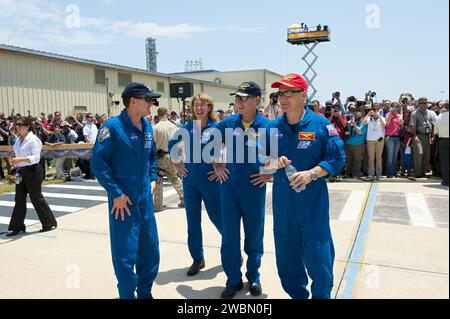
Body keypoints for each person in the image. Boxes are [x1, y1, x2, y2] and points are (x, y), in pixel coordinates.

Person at [261, 73, 345, 299]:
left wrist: (312, 173)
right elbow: (260, 161)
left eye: (289, 92)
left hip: (312, 204)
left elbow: (338, 157)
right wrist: (272, 163)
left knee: (319, 256)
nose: (283, 98)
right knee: (287, 258)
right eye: (281, 93)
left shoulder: (321, 125)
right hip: (283, 205)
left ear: (304, 95)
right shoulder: (272, 127)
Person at [91, 82, 160, 299]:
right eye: (148, 99)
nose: (152, 104)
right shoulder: (112, 128)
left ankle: (145, 293)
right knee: (125, 256)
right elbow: (99, 163)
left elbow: (151, 157)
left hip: (145, 201)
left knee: (150, 253)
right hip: (124, 203)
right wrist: (116, 193)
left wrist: (152, 179)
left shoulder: (147, 126)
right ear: (133, 101)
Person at [212, 81, 271, 299]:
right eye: (237, 98)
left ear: (257, 100)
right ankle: (233, 280)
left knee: (254, 235)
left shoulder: (267, 126)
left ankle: (254, 277)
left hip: (254, 189)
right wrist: (217, 164)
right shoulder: (227, 124)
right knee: (229, 236)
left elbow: (276, 154)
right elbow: (209, 145)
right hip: (229, 188)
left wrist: (270, 173)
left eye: (243, 98)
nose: (239, 102)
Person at [168, 93, 223, 277]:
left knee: (219, 219)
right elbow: (171, 144)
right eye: (196, 105)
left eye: (203, 105)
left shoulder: (218, 128)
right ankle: (197, 259)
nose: (199, 108)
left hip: (210, 181)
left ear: (209, 107)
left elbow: (232, 148)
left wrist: (221, 168)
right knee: (192, 222)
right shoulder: (186, 128)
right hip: (190, 180)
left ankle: (232, 251)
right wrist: (176, 163)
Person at [6, 117, 57, 237]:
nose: (17, 127)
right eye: (16, 125)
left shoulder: (33, 139)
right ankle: (17, 226)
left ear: (27, 126)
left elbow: (36, 158)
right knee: (19, 199)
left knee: (36, 197)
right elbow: (18, 154)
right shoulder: (18, 140)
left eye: (20, 124)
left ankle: (49, 223)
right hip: (21, 171)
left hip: (33, 171)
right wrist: (15, 164)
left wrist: (21, 159)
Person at [152, 107, 184, 212]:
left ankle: (157, 205)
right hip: (173, 155)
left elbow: (153, 144)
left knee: (159, 180)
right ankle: (184, 199)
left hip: (161, 157)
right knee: (175, 178)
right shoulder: (174, 126)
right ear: (167, 114)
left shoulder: (156, 128)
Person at [409, 97, 435, 178]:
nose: (423, 104)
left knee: (427, 155)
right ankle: (418, 173)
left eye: (425, 102)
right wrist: (415, 136)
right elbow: (412, 126)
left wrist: (432, 136)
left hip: (428, 136)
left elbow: (434, 125)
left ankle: (423, 172)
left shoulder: (431, 113)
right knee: (418, 155)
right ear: (418, 104)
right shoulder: (414, 113)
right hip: (419, 136)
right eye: (421, 103)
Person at [363, 107, 386, 179]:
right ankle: (371, 173)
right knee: (371, 158)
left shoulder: (382, 118)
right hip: (370, 140)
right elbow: (363, 122)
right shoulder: (369, 118)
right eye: (374, 111)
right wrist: (368, 114)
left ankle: (379, 173)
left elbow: (384, 125)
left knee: (379, 157)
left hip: (380, 139)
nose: (375, 113)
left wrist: (379, 116)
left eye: (377, 111)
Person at [384, 103, 404, 178]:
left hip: (397, 137)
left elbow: (401, 126)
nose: (395, 108)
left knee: (395, 156)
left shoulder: (399, 115)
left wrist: (401, 122)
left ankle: (394, 172)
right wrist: (391, 114)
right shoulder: (388, 114)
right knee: (390, 156)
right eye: (393, 106)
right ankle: (389, 173)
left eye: (397, 106)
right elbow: (387, 124)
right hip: (390, 137)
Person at [435, 100, 449, 186]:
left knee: (444, 162)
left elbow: (436, 131)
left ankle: (446, 181)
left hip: (442, 140)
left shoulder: (439, 116)